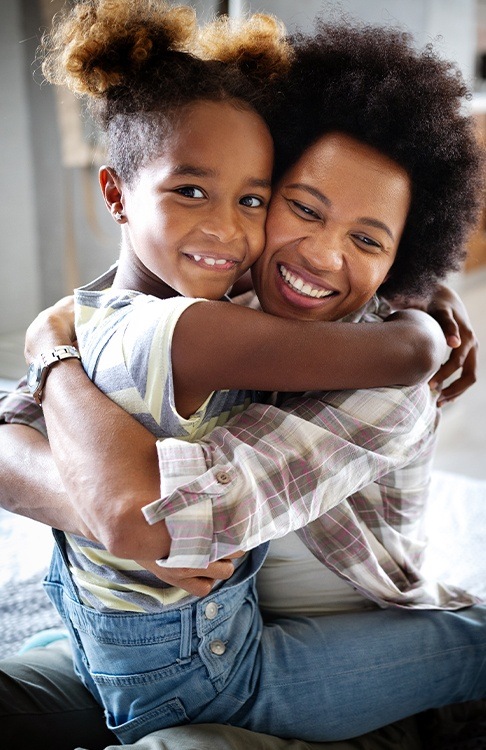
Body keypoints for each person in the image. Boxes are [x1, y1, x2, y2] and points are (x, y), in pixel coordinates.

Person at [1, 7, 485, 750]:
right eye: (301, 207)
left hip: (318, 661)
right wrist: (101, 496)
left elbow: (161, 523)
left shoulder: (380, 385)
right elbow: (13, 441)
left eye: (366, 239)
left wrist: (54, 358)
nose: (322, 256)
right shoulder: (218, 303)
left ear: (402, 264)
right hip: (200, 637)